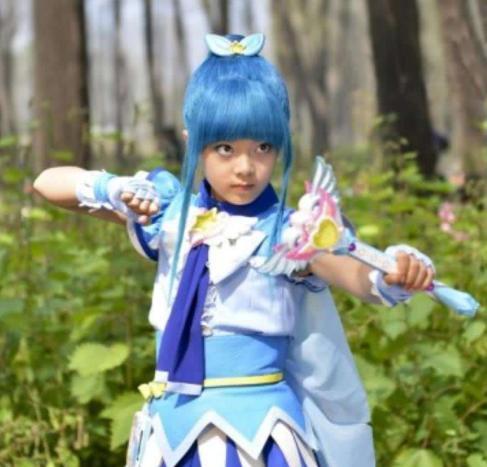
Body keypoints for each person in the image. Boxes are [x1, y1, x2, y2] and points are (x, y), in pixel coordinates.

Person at [33, 33, 434, 467]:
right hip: (171, 427)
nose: (245, 168)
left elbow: (349, 273)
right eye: (225, 149)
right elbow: (47, 184)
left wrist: (387, 276)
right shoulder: (172, 217)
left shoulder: (290, 231)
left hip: (261, 433)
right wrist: (112, 188)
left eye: (263, 147)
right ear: (193, 142)